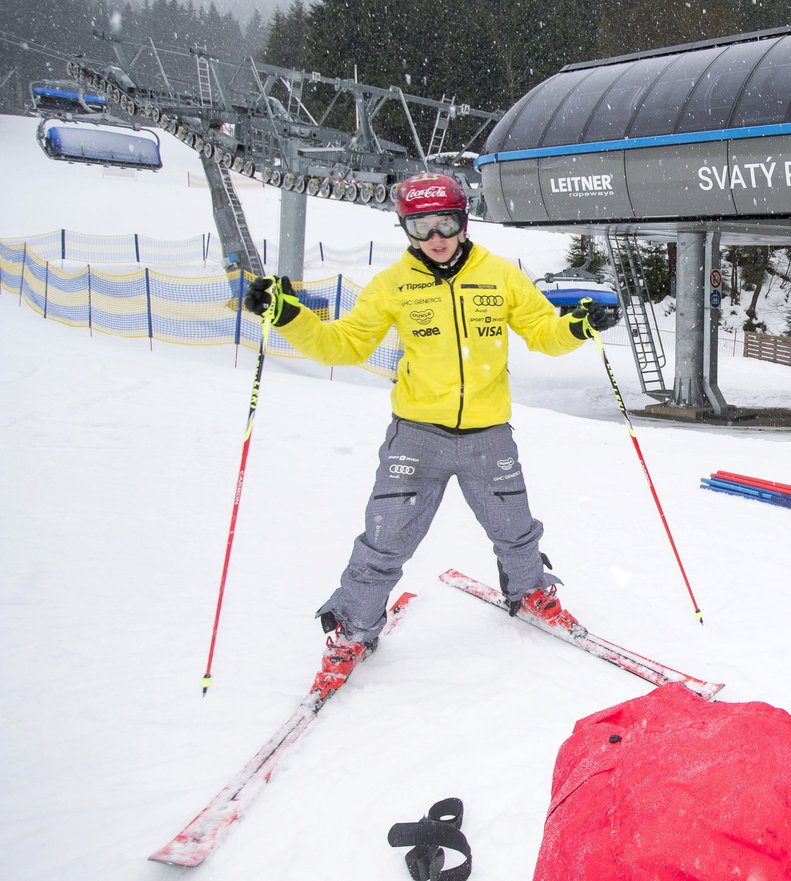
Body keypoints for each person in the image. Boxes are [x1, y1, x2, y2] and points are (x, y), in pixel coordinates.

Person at [244, 171, 616, 661]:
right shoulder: (393, 285)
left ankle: (528, 590)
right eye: (420, 227)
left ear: (463, 222)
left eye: (444, 223)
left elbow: (543, 332)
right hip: (417, 436)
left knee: (515, 526)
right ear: (406, 229)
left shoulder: (500, 274)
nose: (435, 238)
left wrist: (577, 326)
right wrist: (289, 316)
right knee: (386, 536)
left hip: (488, 433)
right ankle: (354, 627)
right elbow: (344, 345)